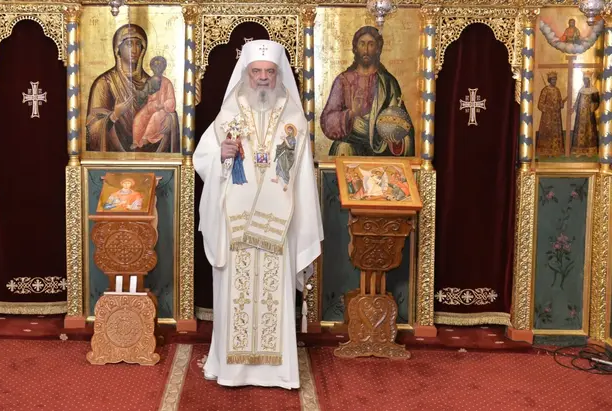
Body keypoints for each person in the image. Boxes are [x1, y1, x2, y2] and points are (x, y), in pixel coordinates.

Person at [193, 39, 323, 390]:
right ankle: (232, 370)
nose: (263, 78)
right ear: (246, 73)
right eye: (257, 72)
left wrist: (302, 221)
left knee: (273, 297)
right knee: (235, 297)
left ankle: (278, 372)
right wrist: (221, 155)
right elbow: (202, 159)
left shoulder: (294, 118)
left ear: (278, 74)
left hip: (278, 224)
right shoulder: (229, 114)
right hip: (236, 225)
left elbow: (303, 178)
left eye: (269, 72)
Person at [320, 26, 414, 156]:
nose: (366, 50)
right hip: (351, 142)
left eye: (371, 44)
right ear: (355, 48)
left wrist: (396, 136)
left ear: (378, 49)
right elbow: (328, 120)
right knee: (343, 148)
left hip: (382, 146)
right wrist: (351, 113)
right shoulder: (343, 80)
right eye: (362, 44)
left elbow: (402, 123)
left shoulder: (387, 82)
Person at [86, 24, 179, 153]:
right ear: (118, 48)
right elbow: (91, 129)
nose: (134, 50)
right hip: (114, 158)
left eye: (138, 44)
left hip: (151, 155)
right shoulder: (105, 83)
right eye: (129, 44)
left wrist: (170, 119)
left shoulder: (153, 82)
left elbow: (167, 107)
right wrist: (114, 115)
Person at [537, 72, 566, 157]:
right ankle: (546, 151)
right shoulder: (545, 90)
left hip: (556, 117)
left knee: (556, 132)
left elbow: (560, 102)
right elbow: (540, 104)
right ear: (549, 80)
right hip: (547, 117)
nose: (554, 81)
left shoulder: (557, 90)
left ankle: (556, 151)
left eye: (555, 79)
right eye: (553, 79)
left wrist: (561, 104)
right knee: (548, 132)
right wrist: (549, 108)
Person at [571, 74, 599, 157]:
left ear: (589, 80)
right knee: (580, 132)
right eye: (584, 80)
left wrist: (592, 107)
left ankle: (589, 151)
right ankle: (579, 150)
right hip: (580, 115)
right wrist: (574, 108)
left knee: (589, 131)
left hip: (589, 115)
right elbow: (577, 101)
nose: (585, 81)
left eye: (586, 79)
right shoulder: (581, 90)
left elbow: (596, 101)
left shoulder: (594, 90)